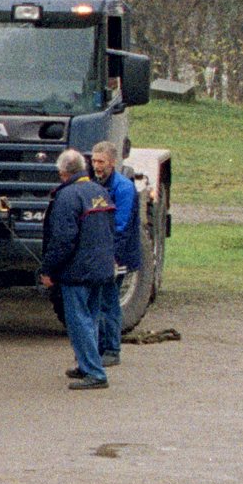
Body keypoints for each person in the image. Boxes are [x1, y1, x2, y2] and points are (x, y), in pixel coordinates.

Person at [38, 148, 121, 389]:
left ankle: (94, 373)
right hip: (101, 267)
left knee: (79, 321)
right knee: (92, 317)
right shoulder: (100, 191)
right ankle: (88, 364)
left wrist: (48, 269)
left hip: (77, 271)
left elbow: (63, 239)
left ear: (63, 173)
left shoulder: (67, 196)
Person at [91, 137, 141, 372]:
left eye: (101, 161)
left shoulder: (123, 188)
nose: (96, 165)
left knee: (109, 301)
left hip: (117, 254)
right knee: (98, 301)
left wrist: (112, 257)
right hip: (101, 252)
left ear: (112, 163)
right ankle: (100, 348)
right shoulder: (95, 183)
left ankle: (112, 349)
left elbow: (121, 226)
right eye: (94, 160)